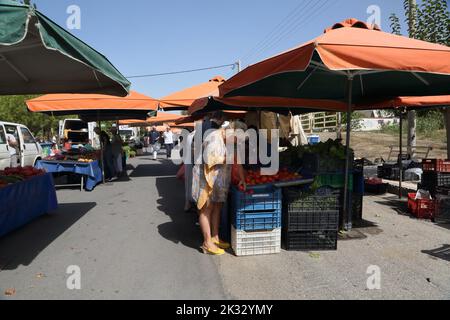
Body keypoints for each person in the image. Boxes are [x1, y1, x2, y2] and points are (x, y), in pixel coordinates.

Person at [192, 116, 247, 256]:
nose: (236, 143)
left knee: (217, 206)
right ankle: (207, 242)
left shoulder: (228, 140)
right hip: (206, 178)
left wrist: (242, 179)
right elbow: (209, 160)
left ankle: (215, 237)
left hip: (219, 179)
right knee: (206, 209)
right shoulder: (214, 138)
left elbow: (237, 160)